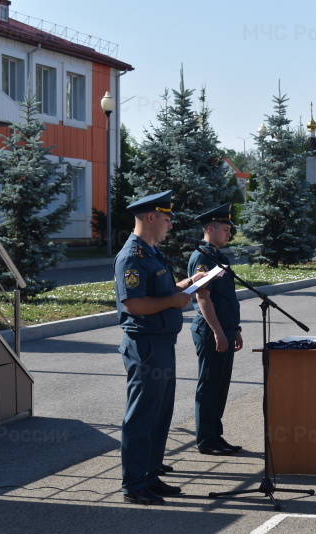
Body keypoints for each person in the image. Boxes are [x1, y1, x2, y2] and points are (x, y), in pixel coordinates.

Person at [114, 190, 207, 505]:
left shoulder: (152, 253)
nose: (170, 224)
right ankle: (134, 484)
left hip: (162, 343)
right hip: (146, 345)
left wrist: (187, 284)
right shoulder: (132, 256)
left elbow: (162, 292)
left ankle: (150, 476)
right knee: (141, 416)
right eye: (166, 218)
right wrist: (173, 300)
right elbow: (135, 304)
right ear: (151, 217)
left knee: (159, 416)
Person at [188, 203, 243, 456]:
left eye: (229, 230)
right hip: (211, 330)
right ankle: (206, 440)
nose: (228, 234)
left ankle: (215, 436)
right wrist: (219, 332)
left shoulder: (217, 256)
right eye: (224, 229)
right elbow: (203, 298)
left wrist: (235, 328)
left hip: (225, 328)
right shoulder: (201, 257)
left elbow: (227, 297)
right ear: (209, 228)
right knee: (209, 385)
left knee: (221, 385)